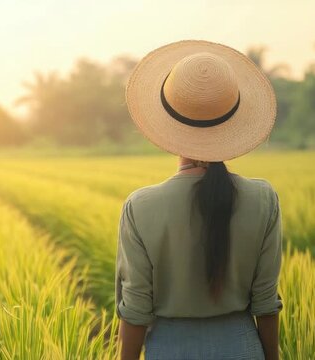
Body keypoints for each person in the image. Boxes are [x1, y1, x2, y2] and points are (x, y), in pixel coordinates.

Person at [115, 40, 283, 360]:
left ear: (168, 121)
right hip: (244, 348)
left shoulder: (140, 207)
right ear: (235, 119)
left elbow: (135, 309)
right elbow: (266, 303)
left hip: (169, 350)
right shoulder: (264, 199)